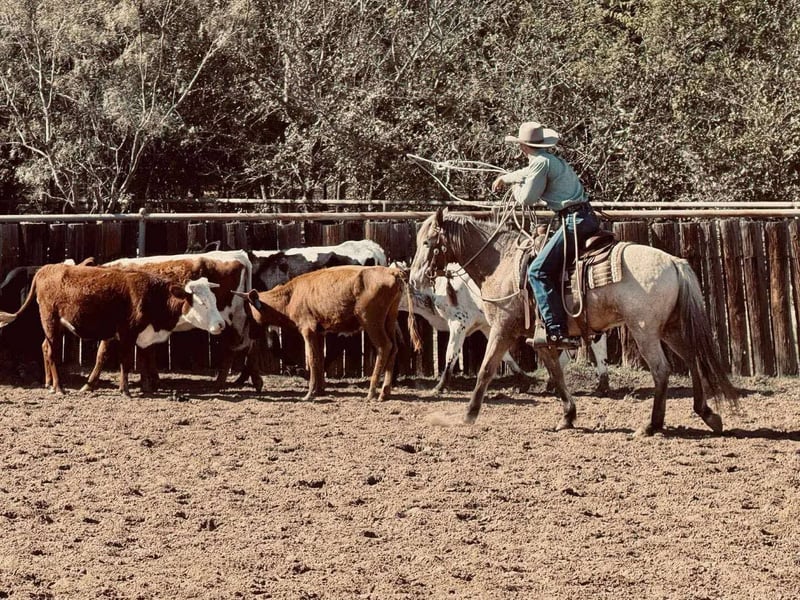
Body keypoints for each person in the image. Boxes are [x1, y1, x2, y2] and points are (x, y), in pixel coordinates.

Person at [491, 121, 601, 349]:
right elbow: (527, 172)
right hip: (583, 217)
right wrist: (507, 177)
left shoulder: (540, 163)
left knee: (537, 271)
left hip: (573, 221)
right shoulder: (548, 160)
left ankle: (556, 330)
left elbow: (526, 199)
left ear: (522, 146)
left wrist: (513, 187)